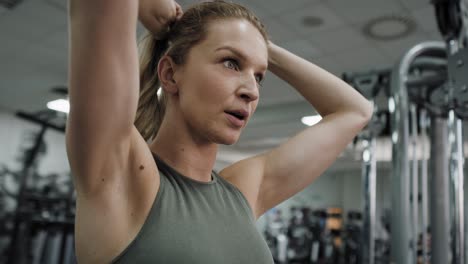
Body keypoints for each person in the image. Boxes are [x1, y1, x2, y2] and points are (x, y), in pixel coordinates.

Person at [66, 0, 373, 263]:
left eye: (260, 76)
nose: (252, 91)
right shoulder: (122, 176)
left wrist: (259, 46)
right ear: (170, 74)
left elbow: (355, 111)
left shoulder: (241, 192)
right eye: (231, 63)